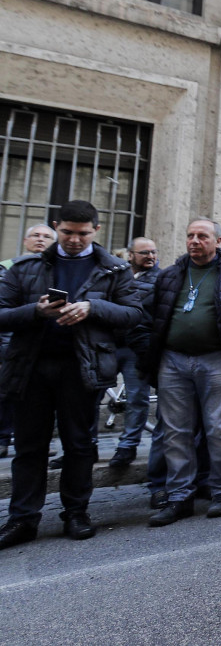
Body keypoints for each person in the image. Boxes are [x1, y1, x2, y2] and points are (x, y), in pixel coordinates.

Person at [0, 200, 142, 548]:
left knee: (80, 445)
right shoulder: (24, 267)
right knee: (29, 447)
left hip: (82, 368)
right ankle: (22, 519)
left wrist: (93, 308)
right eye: (67, 232)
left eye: (82, 233)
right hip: (31, 367)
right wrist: (36, 311)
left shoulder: (115, 270)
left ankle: (75, 512)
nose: (74, 239)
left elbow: (133, 314)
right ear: (56, 227)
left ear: (96, 229)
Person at [136, 219, 221, 525]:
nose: (194, 241)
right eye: (190, 235)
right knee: (176, 432)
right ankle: (179, 496)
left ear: (217, 241)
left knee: (219, 430)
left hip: (216, 361)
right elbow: (149, 316)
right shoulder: (170, 274)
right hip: (173, 362)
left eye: (202, 236)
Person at [0, 223, 55, 459]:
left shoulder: (59, 270)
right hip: (9, 339)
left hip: (42, 344)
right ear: (25, 241)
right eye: (35, 235)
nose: (40, 240)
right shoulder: (10, 268)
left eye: (46, 236)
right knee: (6, 393)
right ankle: (2, 438)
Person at [108, 237, 160, 470]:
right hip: (108, 344)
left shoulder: (161, 279)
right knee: (88, 395)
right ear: (130, 255)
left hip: (135, 348)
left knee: (137, 398)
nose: (150, 256)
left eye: (153, 252)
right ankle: (86, 445)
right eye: (144, 253)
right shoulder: (115, 275)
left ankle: (127, 447)